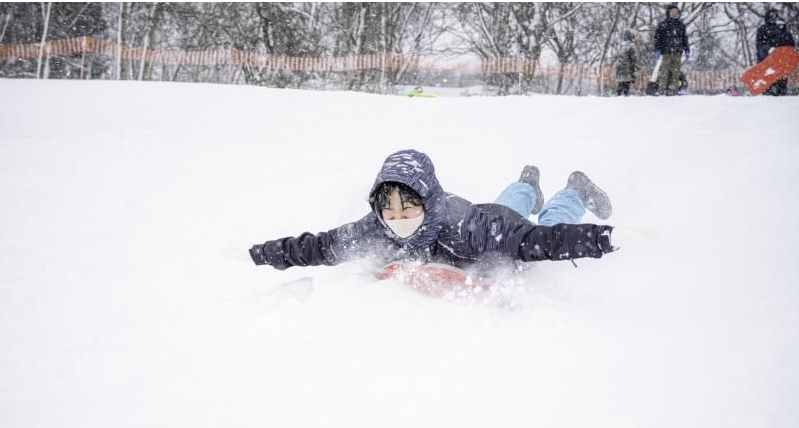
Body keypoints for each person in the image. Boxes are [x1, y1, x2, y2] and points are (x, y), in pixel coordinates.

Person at [249, 150, 616, 273]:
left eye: (408, 207)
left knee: (547, 220)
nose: (398, 219)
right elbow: (322, 246)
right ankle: (527, 183)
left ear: (427, 201)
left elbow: (543, 241)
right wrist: (264, 254)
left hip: (500, 227)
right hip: (496, 214)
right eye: (388, 210)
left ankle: (574, 189)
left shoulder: (470, 230)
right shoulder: (376, 228)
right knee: (508, 206)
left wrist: (601, 239)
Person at [756, 9, 797, 97]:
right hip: (767, 63)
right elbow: (760, 45)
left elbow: (791, 45)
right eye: (771, 16)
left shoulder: (784, 32)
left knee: (781, 88)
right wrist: (770, 49)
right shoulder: (763, 29)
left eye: (774, 15)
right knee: (768, 89)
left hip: (781, 63)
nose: (773, 17)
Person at [654, 4, 690, 96]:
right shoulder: (663, 24)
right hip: (666, 53)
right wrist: (657, 49)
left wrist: (687, 50)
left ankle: (674, 90)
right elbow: (657, 38)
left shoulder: (680, 25)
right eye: (673, 11)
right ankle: (662, 90)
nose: (675, 13)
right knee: (664, 72)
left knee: (676, 72)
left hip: (678, 52)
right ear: (668, 12)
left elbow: (684, 38)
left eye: (676, 12)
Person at [615, 29, 639, 96]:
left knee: (620, 84)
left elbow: (617, 56)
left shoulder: (620, 45)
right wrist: (634, 71)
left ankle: (618, 96)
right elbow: (634, 59)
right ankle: (626, 98)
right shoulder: (632, 46)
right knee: (626, 85)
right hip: (627, 68)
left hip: (619, 67)